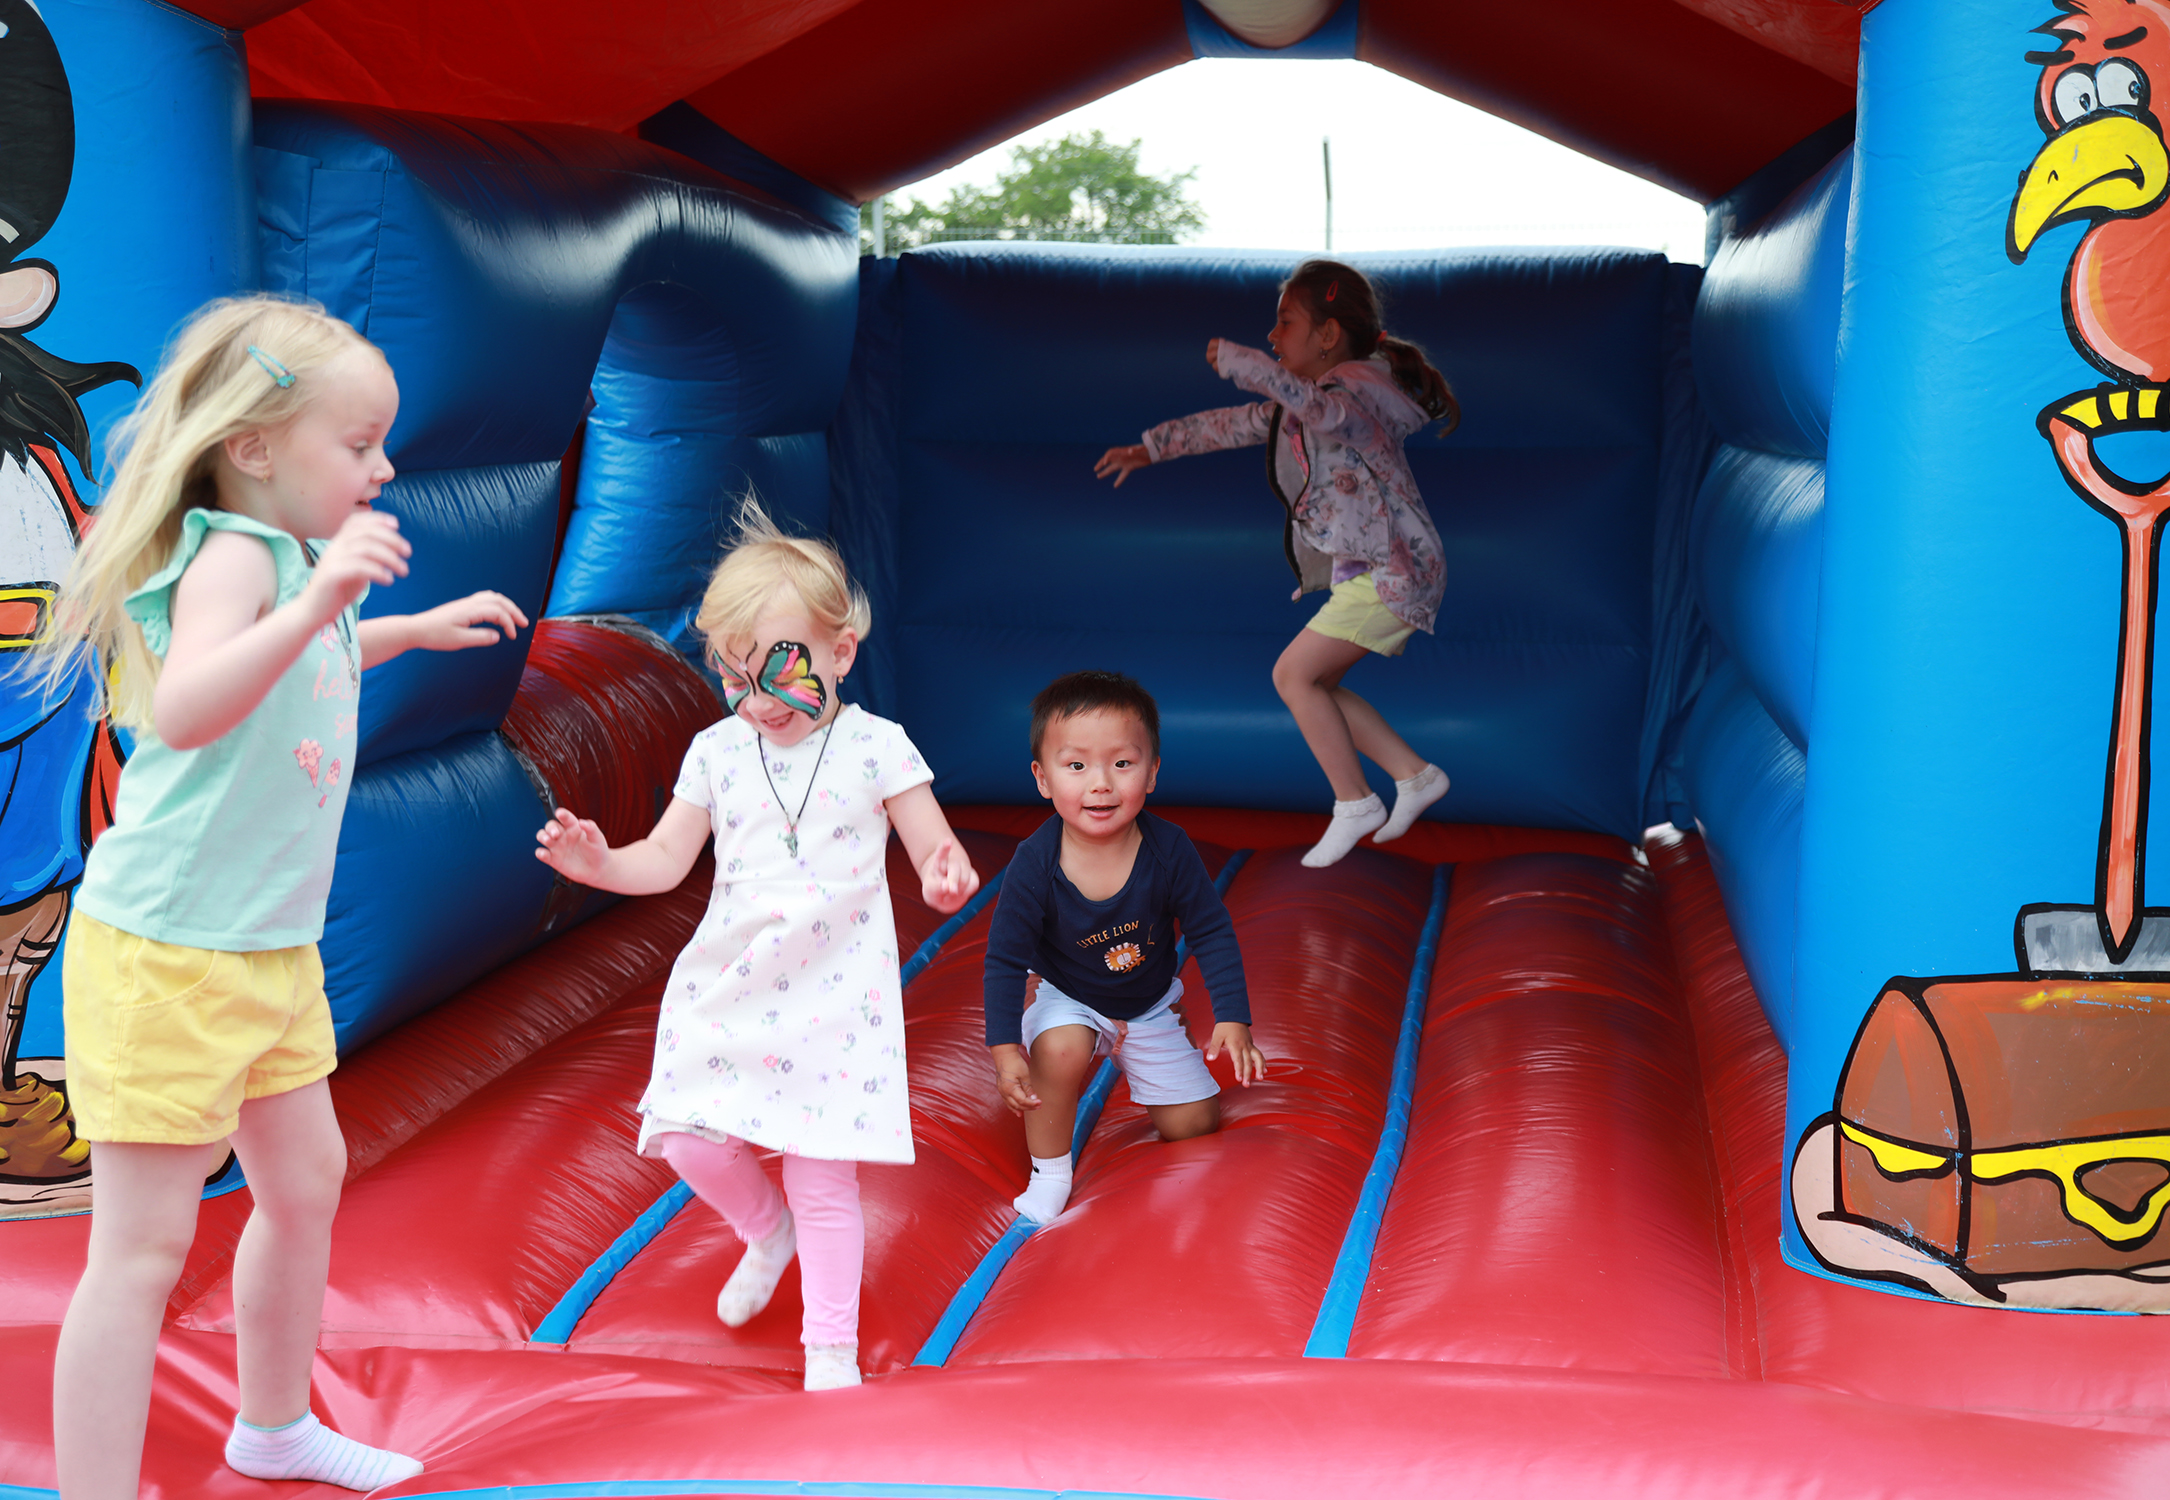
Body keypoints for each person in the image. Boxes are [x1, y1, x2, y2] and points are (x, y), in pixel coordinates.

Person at [32, 295, 530, 1498]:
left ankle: (272, 1425)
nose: (384, 466)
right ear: (253, 447)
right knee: (141, 1248)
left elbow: (315, 655)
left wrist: (404, 629)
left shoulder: (296, 558)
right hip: (170, 956)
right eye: (358, 443)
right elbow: (191, 704)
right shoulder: (235, 558)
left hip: (268, 949)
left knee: (304, 1185)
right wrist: (316, 606)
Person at [535, 501, 978, 1392]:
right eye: (736, 677)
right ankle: (765, 1231)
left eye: (781, 671)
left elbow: (936, 843)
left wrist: (945, 873)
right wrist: (600, 864)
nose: (760, 701)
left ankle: (829, 1351)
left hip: (833, 999)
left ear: (840, 653)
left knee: (825, 1183)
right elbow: (665, 860)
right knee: (686, 1139)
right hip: (729, 986)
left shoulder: (877, 748)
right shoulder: (717, 751)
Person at [1095, 259, 1461, 867]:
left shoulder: (1357, 395)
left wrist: (1246, 365)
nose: (1272, 336)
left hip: (1396, 570)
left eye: (1285, 322)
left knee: (1292, 676)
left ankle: (1355, 802)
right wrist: (1150, 448)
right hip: (1378, 570)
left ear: (1328, 335)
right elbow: (1232, 425)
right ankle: (1415, 775)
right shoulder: (1308, 406)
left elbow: (1327, 413)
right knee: (1317, 685)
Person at [984, 671, 1265, 1226]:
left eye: (1121, 763)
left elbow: (1210, 929)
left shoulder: (1170, 849)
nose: (1100, 784)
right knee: (1060, 1049)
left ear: (1152, 772)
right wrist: (1004, 1049)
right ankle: (1050, 1172)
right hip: (1069, 994)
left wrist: (1234, 1017)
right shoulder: (1034, 863)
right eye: (1076, 766)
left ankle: (1155, 1039)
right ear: (1042, 779)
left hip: (1148, 1002)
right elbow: (1004, 959)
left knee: (1193, 1124)